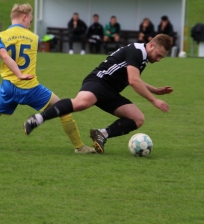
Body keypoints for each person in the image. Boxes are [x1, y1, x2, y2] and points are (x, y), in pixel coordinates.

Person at [0, 3, 96, 154]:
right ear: (25, 17)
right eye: (30, 21)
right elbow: (37, 41)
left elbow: (5, 55)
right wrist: (20, 74)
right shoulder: (34, 37)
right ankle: (79, 147)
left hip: (8, 89)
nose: (30, 25)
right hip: (30, 87)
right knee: (64, 109)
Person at [24, 34, 173, 154]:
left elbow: (132, 78)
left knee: (138, 119)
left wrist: (154, 89)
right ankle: (36, 119)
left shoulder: (143, 56)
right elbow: (133, 81)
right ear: (151, 45)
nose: (159, 59)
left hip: (111, 91)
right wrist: (154, 100)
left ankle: (101, 134)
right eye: (159, 55)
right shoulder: (137, 51)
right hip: (99, 81)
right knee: (82, 103)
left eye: (162, 57)